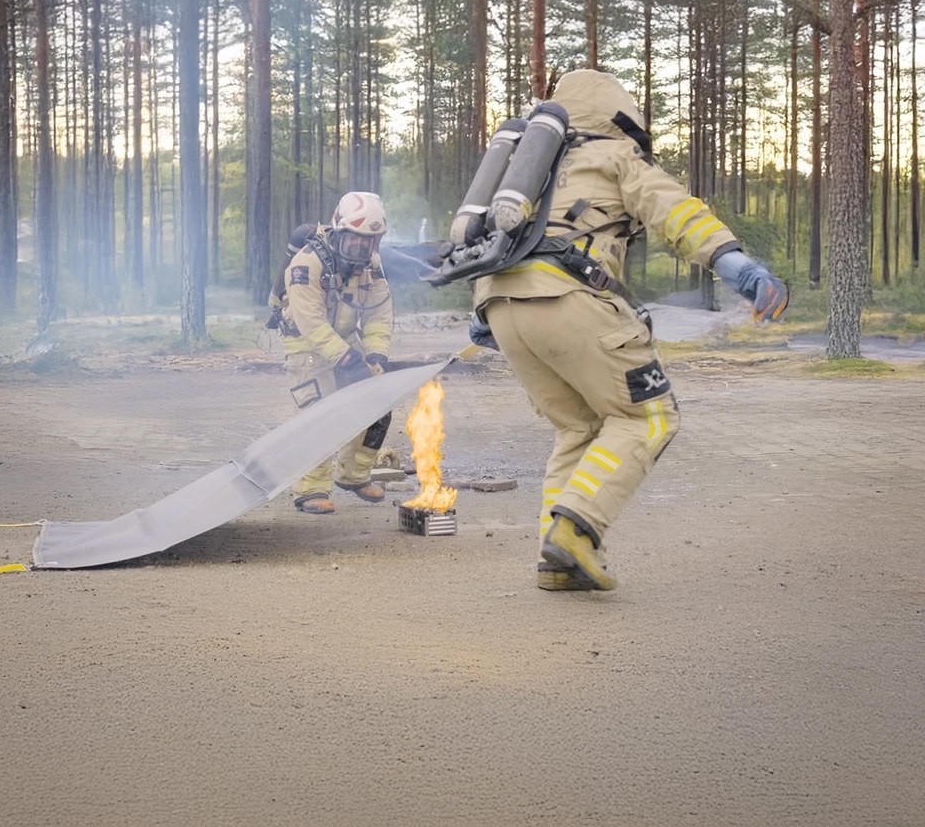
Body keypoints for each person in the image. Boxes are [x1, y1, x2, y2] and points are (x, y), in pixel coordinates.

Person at [466, 69, 788, 591]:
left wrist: (482, 320)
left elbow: (483, 240)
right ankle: (574, 532)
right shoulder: (613, 155)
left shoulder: (528, 170)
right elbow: (674, 210)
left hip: (500, 308)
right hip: (569, 299)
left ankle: (559, 564)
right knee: (648, 417)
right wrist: (735, 266)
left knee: (577, 428)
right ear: (621, 115)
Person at [275, 191, 393, 514]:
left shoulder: (371, 267)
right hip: (306, 345)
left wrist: (375, 356)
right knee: (322, 413)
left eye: (368, 243)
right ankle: (310, 488)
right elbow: (311, 323)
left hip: (342, 341)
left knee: (379, 404)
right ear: (338, 232)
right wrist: (346, 357)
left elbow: (378, 315)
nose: (361, 251)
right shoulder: (305, 265)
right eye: (354, 242)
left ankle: (354, 476)